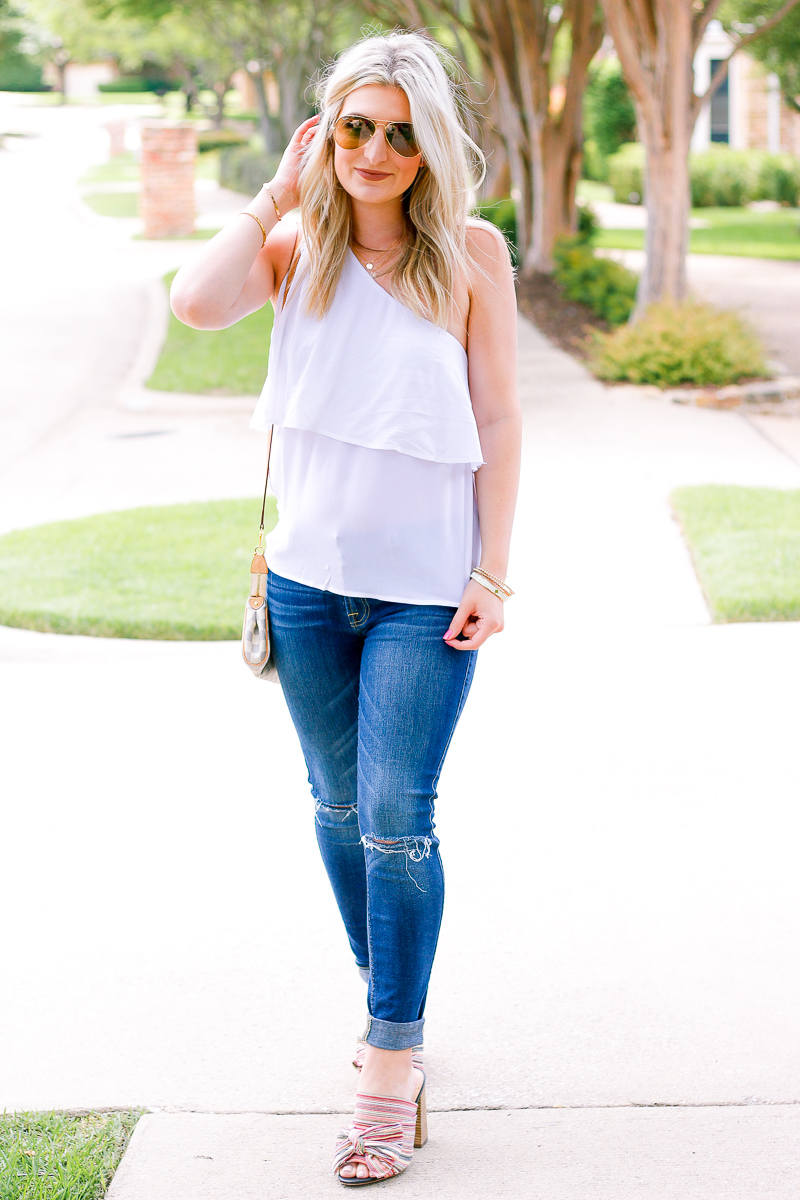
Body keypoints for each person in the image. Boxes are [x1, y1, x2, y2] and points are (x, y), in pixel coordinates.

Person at [170, 28, 521, 1187]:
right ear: (329, 132)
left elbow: (501, 421)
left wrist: (491, 571)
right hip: (307, 587)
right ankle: (396, 998)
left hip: (427, 593)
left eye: (400, 131)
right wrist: (277, 183)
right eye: (356, 126)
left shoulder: (470, 254)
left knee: (392, 815)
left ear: (429, 146)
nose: (375, 150)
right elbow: (194, 305)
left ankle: (388, 1056)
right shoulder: (293, 243)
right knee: (332, 806)